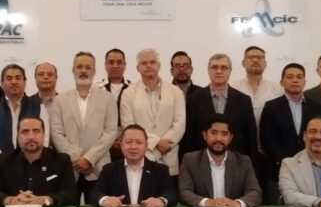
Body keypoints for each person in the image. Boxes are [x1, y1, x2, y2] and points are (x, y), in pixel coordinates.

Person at [50, 52, 118, 203]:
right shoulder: (60, 100)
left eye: (88, 67)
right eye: (79, 67)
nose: (83, 71)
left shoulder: (108, 98)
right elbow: (57, 134)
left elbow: (111, 132)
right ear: (73, 70)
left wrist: (89, 158)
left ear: (94, 71)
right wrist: (76, 158)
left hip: (98, 167)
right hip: (69, 168)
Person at [260, 63, 321, 202]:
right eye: (290, 77)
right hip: (278, 169)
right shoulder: (271, 106)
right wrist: (286, 161)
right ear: (281, 82)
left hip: (311, 169)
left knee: (311, 206)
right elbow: (266, 139)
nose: (295, 80)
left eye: (299, 77)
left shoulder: (317, 107)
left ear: (305, 82)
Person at [120, 49, 186, 179]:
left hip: (168, 156)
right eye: (144, 63)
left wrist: (163, 145)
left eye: (152, 62)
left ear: (159, 65)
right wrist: (156, 143)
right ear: (138, 68)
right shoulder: (128, 93)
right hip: (141, 157)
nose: (149, 65)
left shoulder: (176, 92)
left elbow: (179, 124)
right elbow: (128, 126)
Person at [0, 115, 76, 207]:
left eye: (36, 131)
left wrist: (45, 200)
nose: (31, 137)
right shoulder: (4, 160)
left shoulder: (61, 160)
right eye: (25, 132)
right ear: (18, 136)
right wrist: (11, 200)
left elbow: (71, 193)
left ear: (44, 135)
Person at [232, 46, 283, 203]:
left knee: (267, 192)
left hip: (269, 152)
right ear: (243, 62)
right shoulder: (234, 88)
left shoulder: (277, 89)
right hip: (243, 151)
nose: (255, 60)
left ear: (265, 63)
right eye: (251, 57)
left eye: (260, 57)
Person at [184, 53, 257, 160]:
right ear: (208, 70)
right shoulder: (194, 99)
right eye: (214, 67)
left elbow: (251, 137)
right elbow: (189, 136)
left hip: (235, 162)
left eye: (224, 67)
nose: (219, 71)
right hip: (201, 161)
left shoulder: (243, 100)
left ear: (230, 71)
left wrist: (251, 164)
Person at [0, 64, 40, 162]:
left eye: (18, 78)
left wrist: (28, 159)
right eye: (9, 78)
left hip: (32, 164)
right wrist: (4, 160)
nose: (14, 82)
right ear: (2, 83)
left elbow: (44, 139)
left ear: (25, 82)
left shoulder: (39, 108)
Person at [97, 48, 131, 161]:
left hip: (128, 142)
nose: (115, 66)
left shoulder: (134, 89)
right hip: (100, 142)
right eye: (111, 62)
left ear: (125, 65)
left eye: (119, 62)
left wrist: (123, 139)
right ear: (105, 65)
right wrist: (108, 140)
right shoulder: (95, 89)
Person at [30, 62, 58, 147]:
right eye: (41, 74)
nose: (45, 77)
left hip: (61, 152)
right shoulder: (27, 103)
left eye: (50, 74)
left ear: (56, 78)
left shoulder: (65, 103)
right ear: (35, 78)